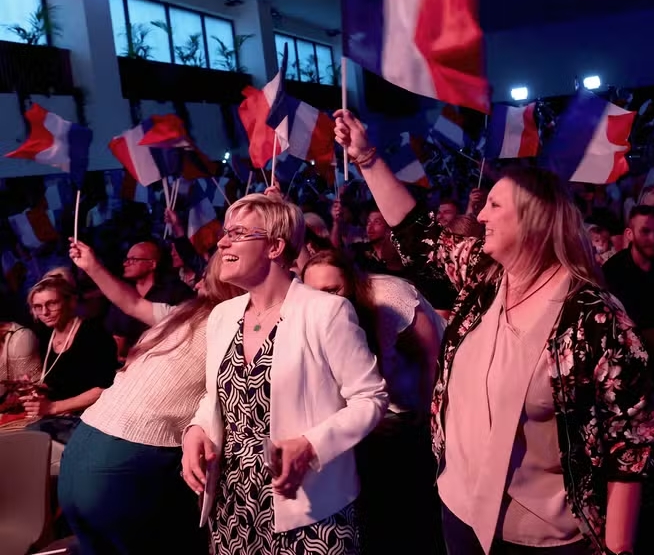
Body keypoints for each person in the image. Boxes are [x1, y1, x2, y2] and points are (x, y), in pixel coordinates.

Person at [335, 109, 654, 555]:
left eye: (495, 204)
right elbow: (418, 234)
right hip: (459, 507)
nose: (481, 213)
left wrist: (618, 548)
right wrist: (367, 158)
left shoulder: (595, 318)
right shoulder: (484, 278)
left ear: (534, 219)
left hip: (544, 534)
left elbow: (631, 442)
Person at [181, 192, 387, 555]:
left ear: (275, 247)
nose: (222, 242)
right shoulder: (223, 315)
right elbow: (217, 396)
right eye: (226, 232)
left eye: (238, 233)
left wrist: (311, 444)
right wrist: (195, 430)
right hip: (233, 504)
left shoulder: (326, 311)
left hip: (308, 505)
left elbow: (370, 398)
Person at [59, 249, 243, 555]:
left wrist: (93, 266)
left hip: (79, 453)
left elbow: (131, 303)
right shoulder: (232, 324)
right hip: (124, 463)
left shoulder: (181, 314)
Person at [301, 249, 445, 555]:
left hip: (416, 407)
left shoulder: (387, 297)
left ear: (352, 283)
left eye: (332, 290)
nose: (325, 301)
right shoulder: (311, 316)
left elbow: (433, 354)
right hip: (378, 415)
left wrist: (428, 414)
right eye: (315, 293)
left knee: (411, 501)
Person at [21, 274, 117, 444]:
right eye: (38, 306)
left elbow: (104, 389)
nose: (45, 312)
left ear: (70, 302)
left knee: (33, 439)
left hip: (90, 417)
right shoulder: (46, 334)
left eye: (52, 303)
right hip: (59, 416)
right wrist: (34, 387)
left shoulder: (94, 335)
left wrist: (53, 407)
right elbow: (61, 382)